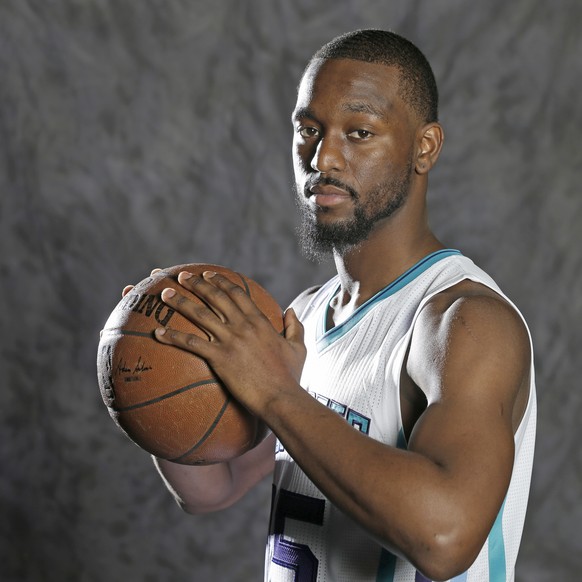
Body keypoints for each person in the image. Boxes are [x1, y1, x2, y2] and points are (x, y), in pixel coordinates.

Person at [149, 29, 536, 582]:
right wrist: (154, 378)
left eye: (359, 132)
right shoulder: (307, 316)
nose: (323, 157)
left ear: (425, 147)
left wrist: (278, 392)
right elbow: (216, 487)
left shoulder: (465, 322)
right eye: (309, 130)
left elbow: (446, 536)